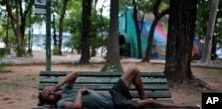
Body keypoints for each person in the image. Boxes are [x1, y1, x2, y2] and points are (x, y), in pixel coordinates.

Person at [40, 67, 201, 109]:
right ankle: (189, 106)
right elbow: (77, 106)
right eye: (46, 96)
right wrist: (81, 92)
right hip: (114, 105)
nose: (50, 94)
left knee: (134, 70)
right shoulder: (61, 104)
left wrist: (55, 85)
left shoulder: (66, 90)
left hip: (112, 94)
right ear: (49, 102)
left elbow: (75, 73)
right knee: (151, 102)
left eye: (48, 92)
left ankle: (143, 99)